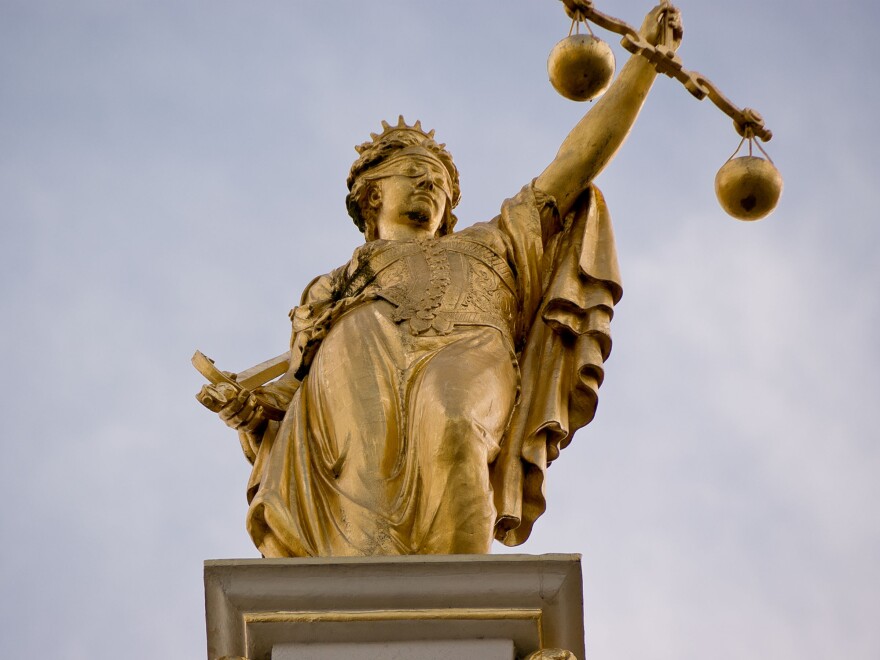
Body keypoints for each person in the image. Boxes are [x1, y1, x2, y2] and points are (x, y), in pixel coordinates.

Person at [198, 5, 682, 557]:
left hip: (469, 345)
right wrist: (252, 410)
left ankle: (462, 601)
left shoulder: (491, 243)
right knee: (361, 481)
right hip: (360, 364)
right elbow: (301, 386)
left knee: (454, 424)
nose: (430, 187)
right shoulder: (332, 285)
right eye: (414, 175)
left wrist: (643, 64)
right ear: (373, 193)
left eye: (440, 184)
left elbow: (575, 163)